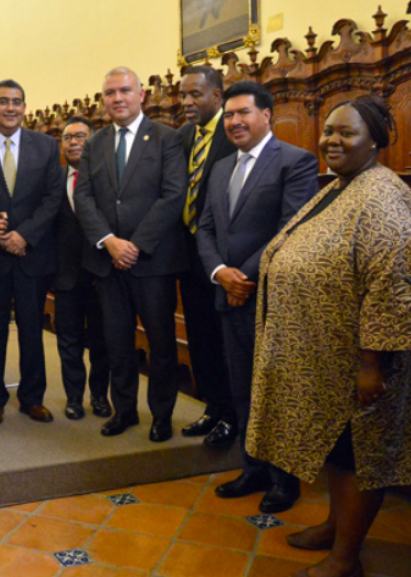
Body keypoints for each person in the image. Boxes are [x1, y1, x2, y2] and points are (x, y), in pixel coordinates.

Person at [248, 95, 411, 577]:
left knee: (361, 456)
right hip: (326, 359)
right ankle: (334, 526)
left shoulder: (383, 197)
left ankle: (345, 558)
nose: (331, 141)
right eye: (328, 131)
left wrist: (371, 365)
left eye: (347, 133)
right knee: (338, 452)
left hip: (363, 365)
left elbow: (391, 288)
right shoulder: (340, 186)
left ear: (376, 141)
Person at [196, 80, 317, 513]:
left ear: (266, 115)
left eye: (243, 113)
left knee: (277, 389)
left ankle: (285, 480)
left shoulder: (296, 161)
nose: (234, 121)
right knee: (242, 385)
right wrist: (218, 272)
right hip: (227, 294)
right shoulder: (222, 166)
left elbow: (289, 229)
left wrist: (241, 277)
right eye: (228, 115)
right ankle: (253, 467)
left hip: (268, 296)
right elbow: (205, 227)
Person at [73, 66, 187, 443]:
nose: (117, 98)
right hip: (107, 263)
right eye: (110, 93)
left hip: (152, 262)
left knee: (160, 343)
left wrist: (134, 245)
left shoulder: (166, 138)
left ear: (142, 95)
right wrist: (109, 241)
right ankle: (124, 411)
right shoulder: (94, 144)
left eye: (124, 90)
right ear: (102, 99)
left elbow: (173, 196)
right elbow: (84, 197)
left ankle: (162, 414)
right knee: (116, 342)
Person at [0, 80, 64, 427]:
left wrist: (24, 234)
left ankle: (32, 398)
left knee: (31, 330)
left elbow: (53, 198)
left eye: (17, 102)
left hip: (32, 255)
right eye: (3, 102)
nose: (11, 108)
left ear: (25, 107)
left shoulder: (47, 146)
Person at [176, 66, 237, 446]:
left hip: (225, 260)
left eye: (195, 94)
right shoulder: (182, 136)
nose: (187, 102)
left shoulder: (234, 136)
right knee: (200, 339)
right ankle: (212, 408)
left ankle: (234, 416)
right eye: (183, 95)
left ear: (218, 95)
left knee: (227, 340)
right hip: (189, 257)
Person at [52, 116, 111, 420]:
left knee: (102, 340)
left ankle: (100, 396)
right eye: (67, 137)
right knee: (69, 340)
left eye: (80, 136)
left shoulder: (107, 177)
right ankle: (74, 397)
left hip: (101, 273)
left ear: (92, 140)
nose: (74, 142)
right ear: (61, 145)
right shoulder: (53, 180)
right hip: (65, 276)